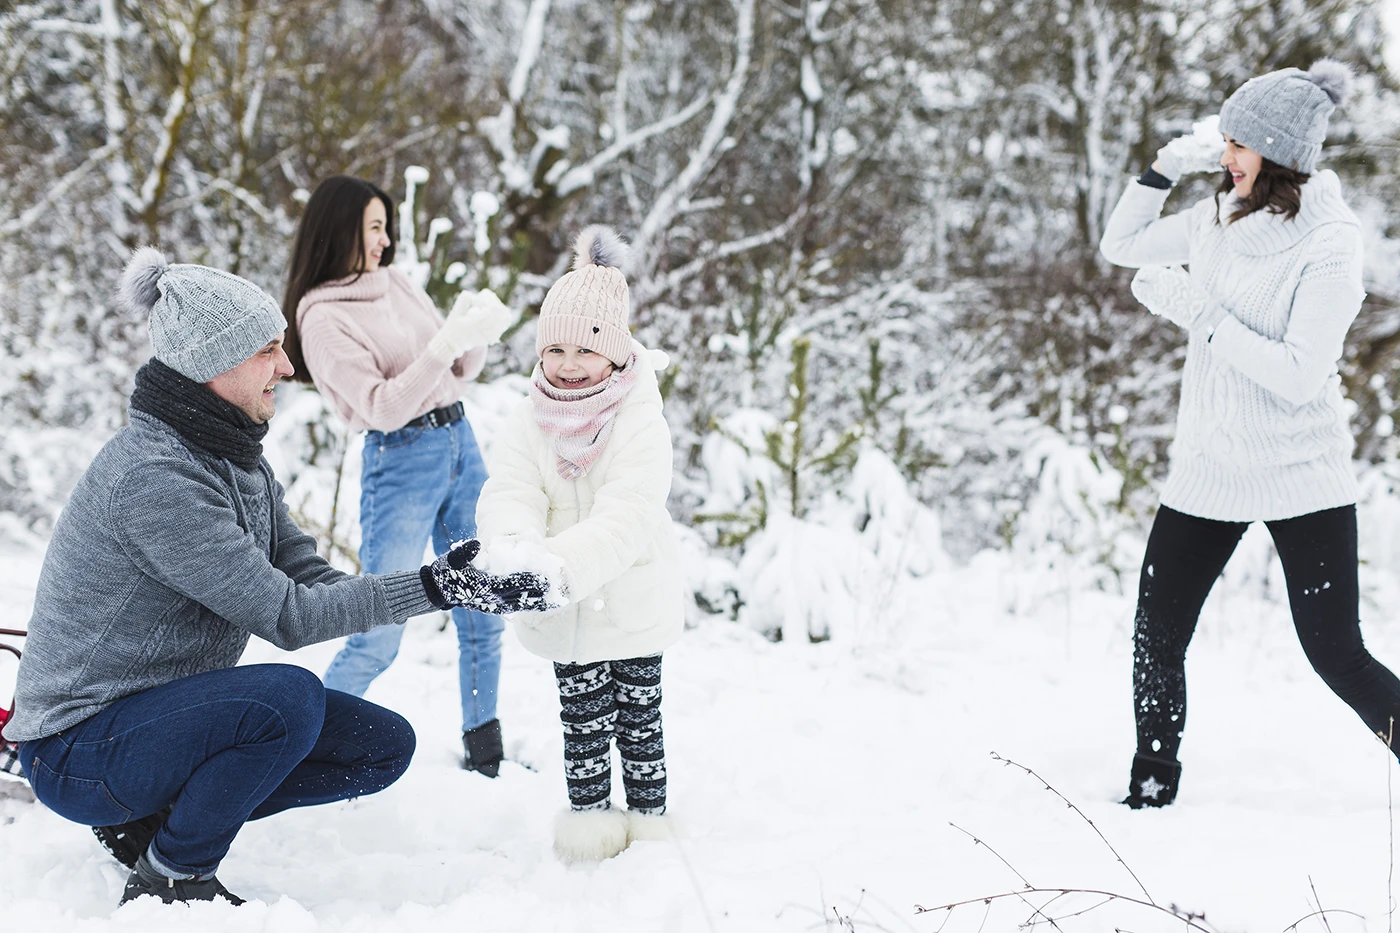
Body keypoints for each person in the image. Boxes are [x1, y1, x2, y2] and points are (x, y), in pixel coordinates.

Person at [1, 247, 550, 905]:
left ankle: (155, 822)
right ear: (212, 363)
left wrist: (449, 581)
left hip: (154, 721)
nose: (288, 367)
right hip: (78, 750)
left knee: (381, 745)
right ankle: (173, 873)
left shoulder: (235, 461)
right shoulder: (155, 479)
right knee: (285, 701)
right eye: (268, 351)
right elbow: (288, 616)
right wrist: (433, 587)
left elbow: (309, 578)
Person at [1099, 59, 1400, 807]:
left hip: (1301, 474)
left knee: (1337, 655)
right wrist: (1164, 167)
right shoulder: (1216, 216)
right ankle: (1150, 787)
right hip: (1209, 468)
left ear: (1281, 152)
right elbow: (1120, 245)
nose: (1225, 154)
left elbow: (1298, 373)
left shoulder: (1330, 240)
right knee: (1156, 638)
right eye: (1225, 139)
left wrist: (1195, 311)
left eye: (1239, 142)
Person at [282, 176, 515, 776]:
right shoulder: (322, 316)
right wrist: (443, 346)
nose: (386, 241)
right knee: (378, 628)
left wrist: (473, 329)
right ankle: (299, 750)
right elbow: (381, 405)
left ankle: (486, 754)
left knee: (485, 604)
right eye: (374, 228)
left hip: (459, 440)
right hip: (401, 457)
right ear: (341, 231)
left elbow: (456, 370)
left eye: (386, 227)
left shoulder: (399, 282)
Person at [474, 226, 684, 862]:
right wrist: (516, 553)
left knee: (639, 720)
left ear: (615, 353)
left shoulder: (640, 420)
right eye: (555, 349)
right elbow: (512, 489)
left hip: (630, 597)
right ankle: (589, 827)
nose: (568, 365)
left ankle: (648, 825)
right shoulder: (530, 417)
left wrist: (558, 570)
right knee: (582, 721)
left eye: (585, 350)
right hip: (563, 610)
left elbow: (628, 514)